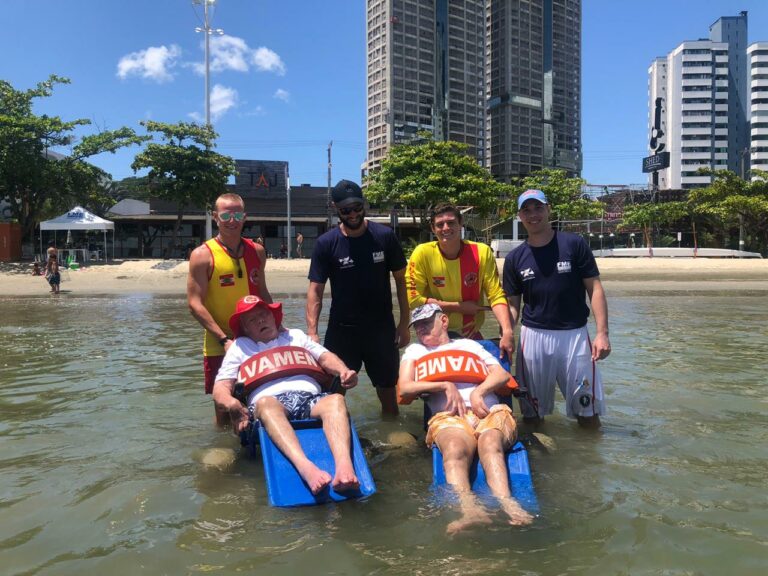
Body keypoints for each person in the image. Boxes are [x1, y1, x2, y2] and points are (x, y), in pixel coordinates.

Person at [398, 303, 534, 534]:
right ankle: (470, 510)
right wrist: (444, 384)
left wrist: (478, 391)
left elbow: (501, 374)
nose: (420, 329)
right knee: (454, 449)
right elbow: (404, 387)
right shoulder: (414, 351)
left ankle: (508, 505)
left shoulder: (469, 345)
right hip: (449, 417)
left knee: (490, 444)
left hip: (489, 411)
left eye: (426, 323)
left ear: (443, 321)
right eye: (417, 326)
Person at [213, 295, 360, 495]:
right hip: (270, 403)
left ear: (274, 317)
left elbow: (325, 357)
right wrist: (232, 404)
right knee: (266, 404)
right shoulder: (240, 347)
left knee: (336, 400)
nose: (261, 321)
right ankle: (305, 467)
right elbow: (221, 386)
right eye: (252, 320)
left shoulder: (296, 336)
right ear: (245, 329)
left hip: (309, 397)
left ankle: (344, 467)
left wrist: (343, 371)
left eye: (264, 315)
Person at [502, 189, 611, 428]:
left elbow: (595, 288)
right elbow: (513, 306)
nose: (533, 215)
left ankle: (589, 461)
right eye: (526, 210)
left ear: (548, 209)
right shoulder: (514, 259)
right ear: (520, 215)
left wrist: (602, 333)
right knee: (531, 414)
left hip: (575, 335)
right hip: (533, 337)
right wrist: (507, 335)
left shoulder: (574, 244)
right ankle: (541, 460)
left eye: (538, 208)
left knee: (588, 411)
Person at [306, 179, 410, 416]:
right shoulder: (326, 243)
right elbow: (315, 290)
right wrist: (312, 332)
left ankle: (390, 433)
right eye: (345, 210)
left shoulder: (385, 237)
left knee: (388, 395)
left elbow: (401, 281)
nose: (352, 214)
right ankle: (333, 434)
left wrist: (404, 324)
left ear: (364, 205)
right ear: (336, 208)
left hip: (381, 329)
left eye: (357, 208)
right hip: (342, 331)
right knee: (333, 393)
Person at [187, 192, 272, 424]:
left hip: (255, 340)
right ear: (216, 217)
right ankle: (223, 448)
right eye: (226, 215)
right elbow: (194, 304)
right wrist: (224, 339)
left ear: (244, 217)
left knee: (260, 399)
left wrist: (278, 329)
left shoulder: (257, 251)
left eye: (237, 214)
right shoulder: (202, 255)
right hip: (220, 344)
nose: (232, 220)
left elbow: (262, 293)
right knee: (224, 409)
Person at [406, 202, 515, 359]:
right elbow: (414, 301)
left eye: (451, 222)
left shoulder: (482, 252)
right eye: (440, 224)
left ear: (460, 224)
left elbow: (496, 295)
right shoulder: (422, 253)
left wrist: (507, 331)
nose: (445, 228)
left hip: (471, 335)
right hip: (433, 340)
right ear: (432, 228)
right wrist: (460, 307)